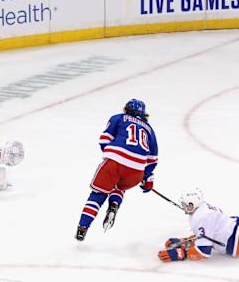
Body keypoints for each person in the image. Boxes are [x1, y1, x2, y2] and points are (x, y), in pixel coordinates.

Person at [75, 99, 158, 241]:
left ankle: (83, 227)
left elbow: (104, 139)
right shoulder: (150, 130)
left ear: (126, 109)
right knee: (120, 185)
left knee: (98, 194)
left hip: (115, 163)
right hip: (136, 171)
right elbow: (152, 158)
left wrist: (111, 155)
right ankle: (114, 204)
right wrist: (147, 178)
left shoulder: (118, 118)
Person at [158, 189, 239, 262]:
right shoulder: (203, 207)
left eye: (184, 204)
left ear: (191, 205)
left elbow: (203, 251)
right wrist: (187, 242)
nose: (183, 206)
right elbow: (208, 233)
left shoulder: (201, 217)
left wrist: (181, 253)